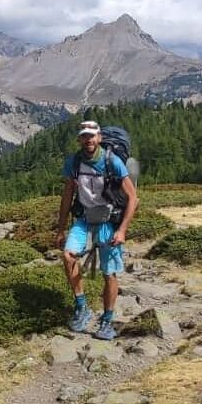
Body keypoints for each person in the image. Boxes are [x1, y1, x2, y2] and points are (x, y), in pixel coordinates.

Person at [54, 120, 138, 340]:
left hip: (108, 221)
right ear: (79, 139)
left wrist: (122, 231)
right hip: (83, 219)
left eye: (92, 135)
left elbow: (132, 198)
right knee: (68, 256)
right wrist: (61, 228)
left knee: (108, 272)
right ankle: (81, 306)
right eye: (84, 135)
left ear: (99, 137)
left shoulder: (113, 162)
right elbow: (67, 196)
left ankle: (107, 320)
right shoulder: (74, 163)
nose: (88, 139)